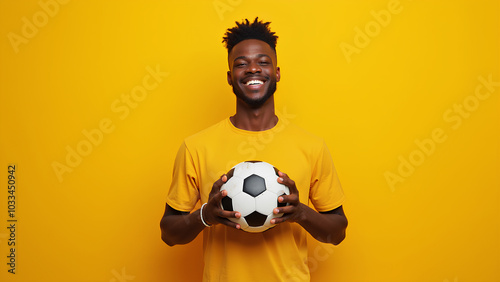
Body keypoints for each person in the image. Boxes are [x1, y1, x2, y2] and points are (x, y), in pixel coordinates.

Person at [160, 17, 348, 282]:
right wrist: (206, 215)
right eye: (241, 64)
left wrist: (301, 213)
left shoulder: (311, 147)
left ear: (277, 72)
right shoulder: (196, 147)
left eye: (262, 62)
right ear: (229, 77)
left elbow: (337, 233)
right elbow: (168, 234)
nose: (252, 70)